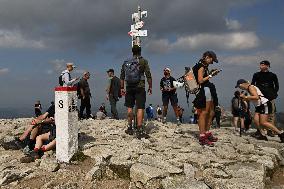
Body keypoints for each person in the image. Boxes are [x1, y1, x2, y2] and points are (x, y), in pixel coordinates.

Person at [120, 45, 152, 139]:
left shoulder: (126, 62)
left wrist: (122, 87)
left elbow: (122, 76)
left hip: (129, 87)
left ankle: (129, 127)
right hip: (140, 86)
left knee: (129, 107)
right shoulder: (143, 61)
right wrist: (150, 87)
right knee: (140, 108)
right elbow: (148, 75)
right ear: (140, 51)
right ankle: (139, 129)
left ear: (132, 51)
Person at [192, 51, 220, 146]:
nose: (212, 63)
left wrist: (210, 74)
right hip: (204, 90)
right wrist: (211, 75)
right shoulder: (201, 66)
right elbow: (200, 80)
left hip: (207, 89)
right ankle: (202, 136)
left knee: (211, 112)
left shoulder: (203, 65)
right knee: (204, 112)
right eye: (212, 60)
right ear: (207, 57)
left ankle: (207, 133)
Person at [251, 60, 279, 137]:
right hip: (260, 98)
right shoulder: (256, 75)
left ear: (267, 66)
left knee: (271, 114)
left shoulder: (273, 75)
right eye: (260, 65)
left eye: (262, 65)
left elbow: (276, 86)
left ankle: (270, 131)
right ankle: (259, 130)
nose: (261, 66)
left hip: (270, 97)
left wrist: (274, 94)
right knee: (259, 114)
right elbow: (253, 85)